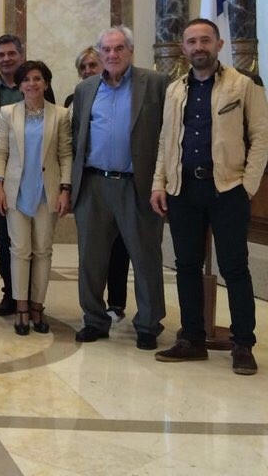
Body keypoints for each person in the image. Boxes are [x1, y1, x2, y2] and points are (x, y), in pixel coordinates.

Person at [151, 19, 268, 375]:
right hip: (184, 189)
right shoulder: (175, 91)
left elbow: (261, 137)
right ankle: (192, 338)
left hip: (227, 189)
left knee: (234, 267)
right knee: (186, 266)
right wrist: (159, 182)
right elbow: (165, 140)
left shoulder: (242, 86)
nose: (198, 46)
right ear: (183, 48)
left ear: (218, 45)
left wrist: (246, 186)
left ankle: (243, 343)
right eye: (191, 41)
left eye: (205, 40)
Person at [71, 25, 168, 350]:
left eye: (119, 49)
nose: (112, 55)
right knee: (91, 259)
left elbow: (167, 136)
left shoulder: (155, 84)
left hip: (136, 185)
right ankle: (94, 320)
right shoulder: (85, 89)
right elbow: (77, 137)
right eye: (107, 50)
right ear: (99, 54)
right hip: (94, 185)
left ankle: (148, 324)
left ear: (130, 51)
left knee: (145, 258)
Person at [0, 60, 72, 335]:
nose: (31, 84)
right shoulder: (7, 113)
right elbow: (1, 151)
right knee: (19, 250)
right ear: (19, 85)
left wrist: (65, 189)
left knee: (43, 251)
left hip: (46, 191)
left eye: (37, 79)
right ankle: (22, 307)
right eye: (26, 80)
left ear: (46, 83)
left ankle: (38, 306)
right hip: (16, 190)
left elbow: (65, 154)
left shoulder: (60, 115)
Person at [0, 34, 55, 316]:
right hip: (2, 176)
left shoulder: (40, 88)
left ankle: (31, 298)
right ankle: (11, 293)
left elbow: (52, 135)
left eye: (11, 53)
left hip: (39, 181)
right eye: (0, 55)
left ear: (21, 53)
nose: (6, 59)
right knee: (6, 240)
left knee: (38, 245)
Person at [68, 46, 131, 324]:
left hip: (124, 181)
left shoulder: (125, 92)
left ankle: (116, 302)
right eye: (82, 67)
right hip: (90, 182)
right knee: (92, 253)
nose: (87, 71)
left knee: (120, 247)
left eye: (92, 65)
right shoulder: (76, 98)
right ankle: (93, 312)